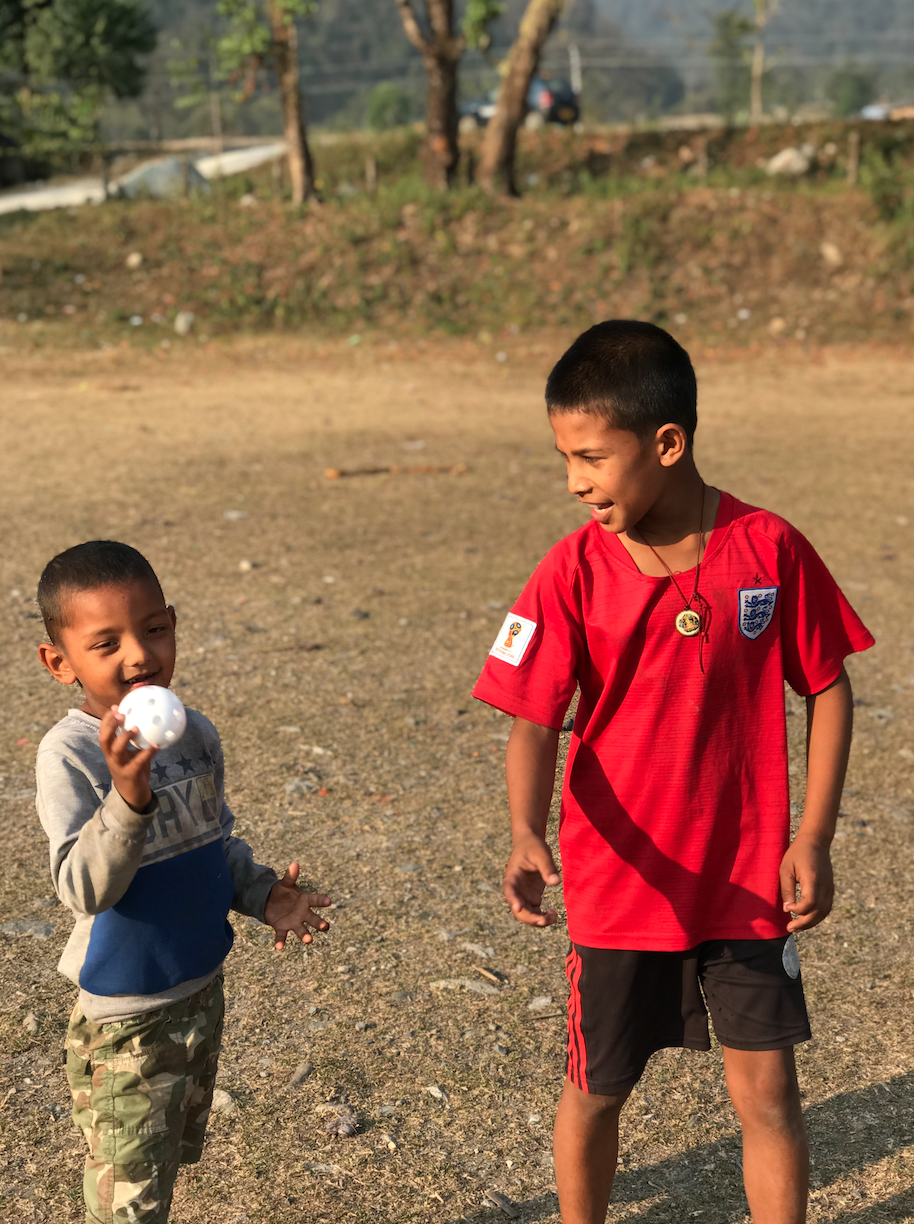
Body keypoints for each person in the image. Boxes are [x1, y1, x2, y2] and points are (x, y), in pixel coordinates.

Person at [472, 321, 873, 1224]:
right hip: (623, 888)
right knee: (597, 1089)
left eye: (590, 457)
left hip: (747, 885)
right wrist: (525, 831)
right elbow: (534, 717)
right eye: (564, 458)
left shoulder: (769, 547)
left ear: (666, 443)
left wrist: (813, 836)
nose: (574, 481)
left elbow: (828, 686)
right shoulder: (571, 570)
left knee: (770, 1097)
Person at [35, 540, 331, 1224]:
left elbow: (212, 843)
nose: (139, 655)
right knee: (128, 1199)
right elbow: (82, 888)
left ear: (173, 624)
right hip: (127, 1018)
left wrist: (263, 892)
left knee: (164, 1165)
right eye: (106, 643)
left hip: (200, 994)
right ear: (60, 663)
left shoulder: (194, 734)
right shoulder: (71, 754)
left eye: (154, 630)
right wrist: (126, 797)